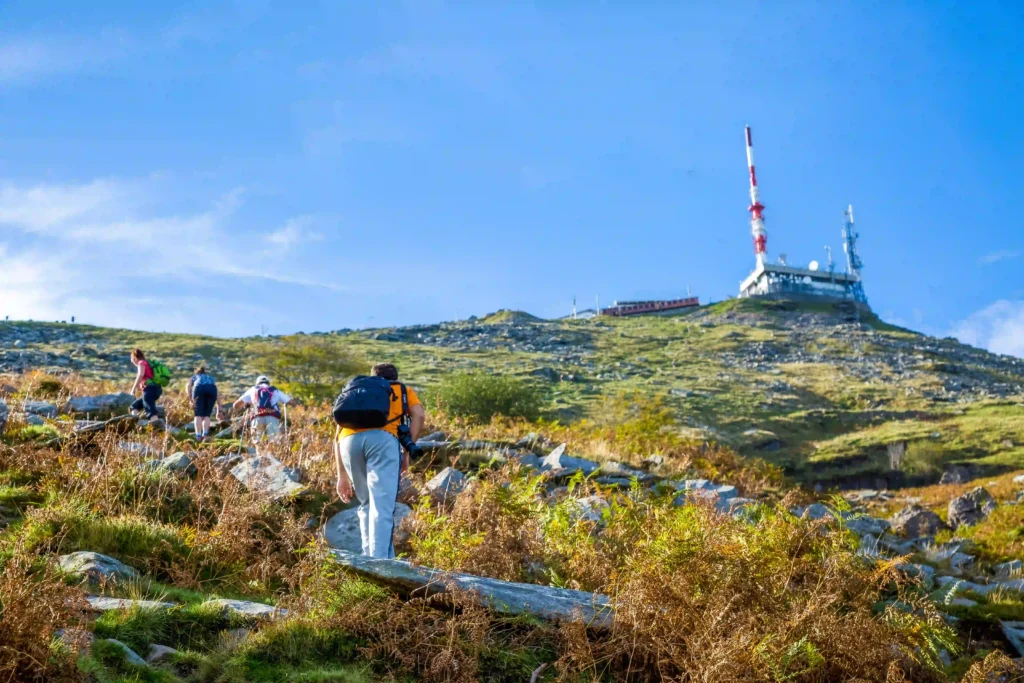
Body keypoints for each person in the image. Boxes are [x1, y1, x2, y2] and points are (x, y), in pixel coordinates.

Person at [335, 363, 425, 559]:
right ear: (395, 376)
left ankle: (370, 557)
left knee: (366, 503)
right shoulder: (401, 390)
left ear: (372, 377)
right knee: (382, 504)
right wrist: (407, 449)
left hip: (348, 442)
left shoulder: (357, 391)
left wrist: (341, 475)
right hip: (382, 441)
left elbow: (337, 434)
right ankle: (380, 564)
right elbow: (419, 414)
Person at [232, 376, 291, 441]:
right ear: (268, 383)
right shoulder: (274, 390)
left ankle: (258, 451)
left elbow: (235, 405)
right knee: (274, 441)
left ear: (257, 383)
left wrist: (246, 404)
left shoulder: (253, 389)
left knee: (257, 441)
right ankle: (273, 450)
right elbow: (290, 401)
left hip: (257, 416)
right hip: (272, 416)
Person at [186, 365, 219, 442]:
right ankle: (205, 434)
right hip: (212, 389)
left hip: (199, 388)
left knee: (198, 414)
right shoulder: (210, 378)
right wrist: (219, 408)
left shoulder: (195, 377)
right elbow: (217, 393)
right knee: (206, 415)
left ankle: (198, 435)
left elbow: (188, 386)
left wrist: (190, 399)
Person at [128, 348, 162, 419]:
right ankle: (135, 423)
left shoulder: (141, 363)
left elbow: (140, 374)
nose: (132, 362)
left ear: (134, 358)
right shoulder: (148, 363)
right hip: (156, 389)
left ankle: (156, 427)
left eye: (132, 360)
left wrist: (133, 389)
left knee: (151, 411)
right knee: (134, 406)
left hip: (149, 390)